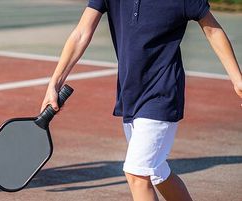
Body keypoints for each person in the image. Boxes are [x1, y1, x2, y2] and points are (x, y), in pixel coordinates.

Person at [40, 0, 242, 200]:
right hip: (130, 94)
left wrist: (237, 79)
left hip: (162, 93)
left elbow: (213, 31)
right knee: (156, 172)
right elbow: (81, 33)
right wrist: (54, 83)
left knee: (136, 173)